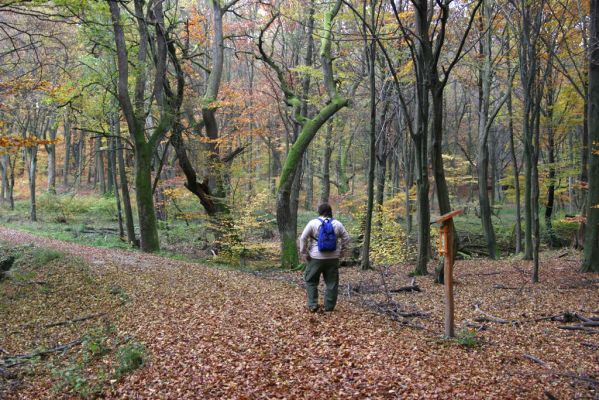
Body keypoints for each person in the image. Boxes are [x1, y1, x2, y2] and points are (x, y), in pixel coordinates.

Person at [299, 203, 350, 312]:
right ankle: (329, 308)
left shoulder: (313, 223)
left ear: (319, 211)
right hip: (333, 258)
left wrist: (304, 253)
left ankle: (313, 305)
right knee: (332, 283)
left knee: (311, 280)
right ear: (330, 211)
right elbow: (346, 238)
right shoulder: (337, 224)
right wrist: (341, 252)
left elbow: (303, 238)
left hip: (315, 257)